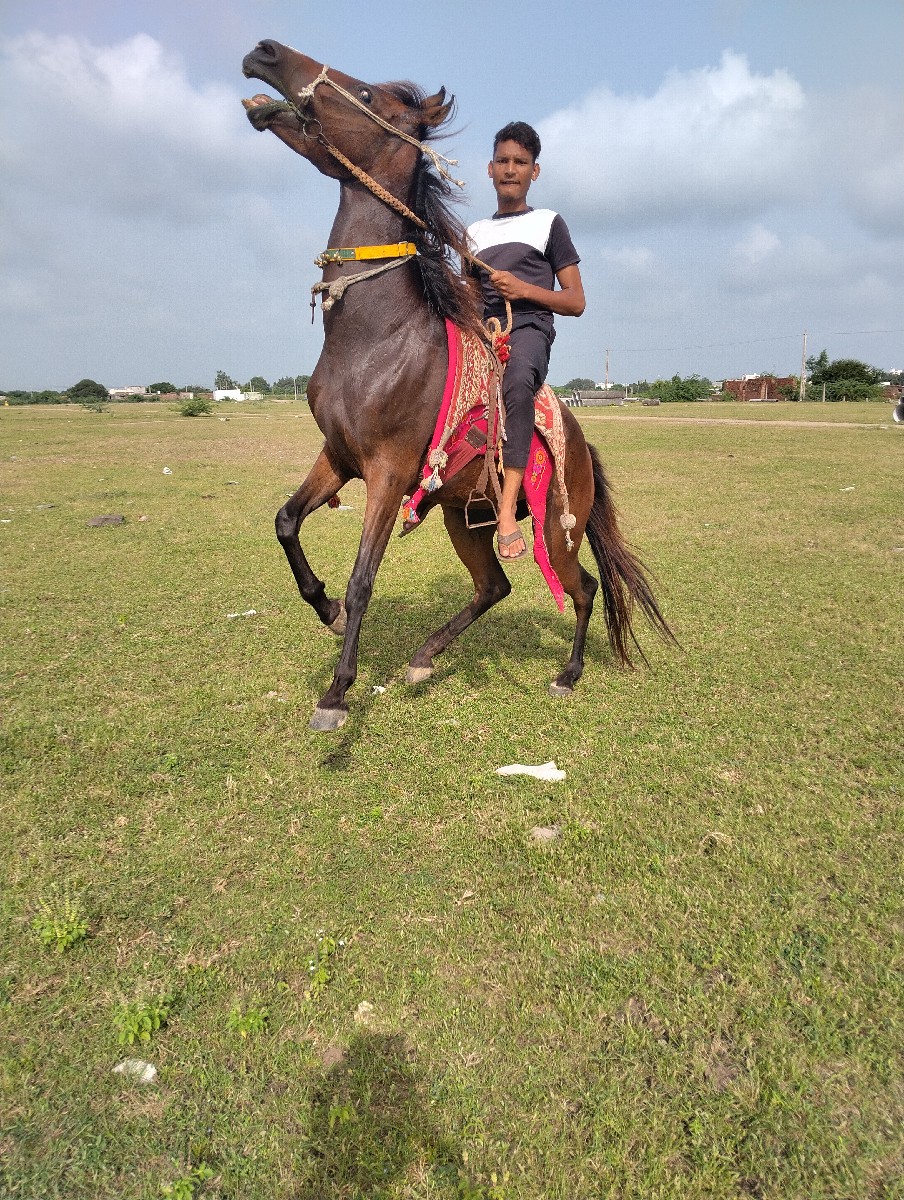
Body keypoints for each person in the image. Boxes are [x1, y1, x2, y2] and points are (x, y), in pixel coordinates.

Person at [466, 121, 585, 560]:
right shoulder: (473, 233)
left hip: (530, 328)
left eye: (520, 162)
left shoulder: (548, 223)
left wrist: (523, 290)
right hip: (481, 330)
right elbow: (468, 295)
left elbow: (575, 301)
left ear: (534, 171)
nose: (510, 169)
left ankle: (506, 513)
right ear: (489, 169)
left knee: (516, 382)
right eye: (502, 161)